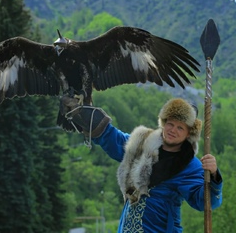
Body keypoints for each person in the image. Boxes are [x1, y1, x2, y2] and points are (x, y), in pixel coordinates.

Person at [60, 96, 223, 233]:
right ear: (164, 122)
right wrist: (91, 120)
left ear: (189, 133)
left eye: (180, 127)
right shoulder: (143, 143)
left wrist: (214, 175)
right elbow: (117, 141)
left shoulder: (189, 164)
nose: (173, 130)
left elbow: (205, 202)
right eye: (170, 123)